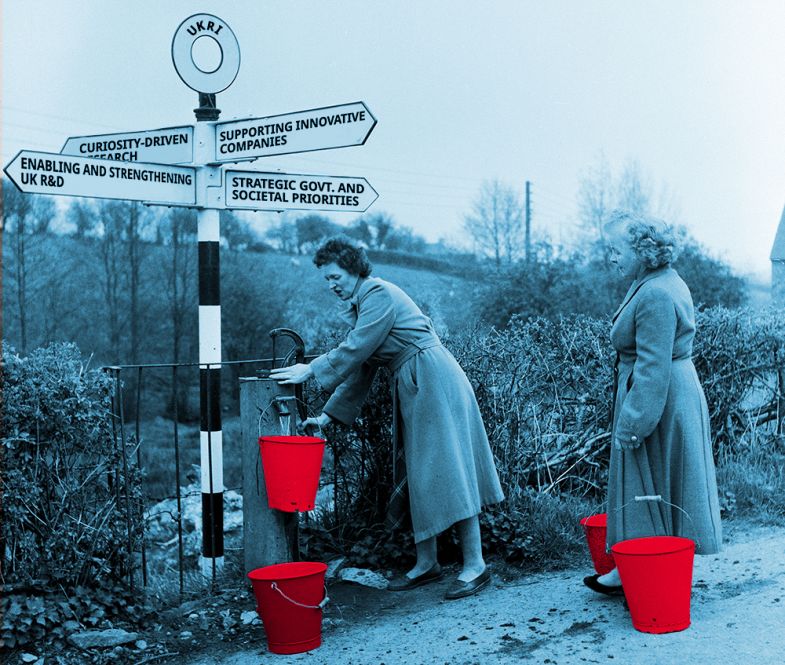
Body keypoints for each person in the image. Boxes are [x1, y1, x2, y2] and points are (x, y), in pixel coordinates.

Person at [270, 236, 504, 600]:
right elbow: (362, 365)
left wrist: (310, 370)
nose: (332, 285)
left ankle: (475, 566)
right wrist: (327, 418)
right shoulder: (364, 302)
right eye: (327, 280)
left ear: (353, 269)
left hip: (432, 380)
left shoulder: (377, 293)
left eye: (335, 277)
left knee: (448, 468)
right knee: (421, 472)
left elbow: (357, 347)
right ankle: (427, 563)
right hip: (416, 382)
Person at [584, 211, 722, 596]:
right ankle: (632, 569)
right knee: (651, 487)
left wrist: (633, 423)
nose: (610, 257)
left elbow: (652, 367)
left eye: (616, 249)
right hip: (666, 394)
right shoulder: (656, 282)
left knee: (650, 484)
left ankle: (648, 577)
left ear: (642, 252)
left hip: (658, 398)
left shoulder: (657, 292)